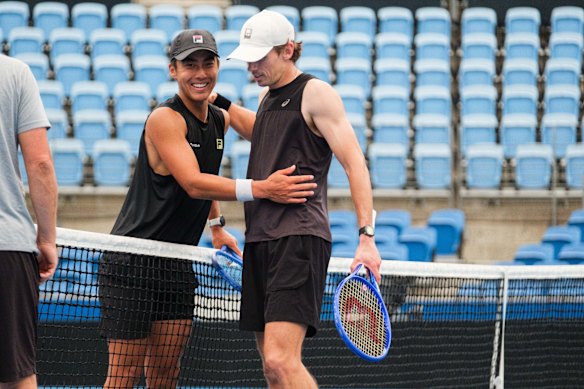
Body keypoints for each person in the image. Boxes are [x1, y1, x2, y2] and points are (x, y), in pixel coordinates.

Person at [98, 29, 316, 389]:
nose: (199, 72)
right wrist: (262, 189)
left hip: (177, 264)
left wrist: (216, 225)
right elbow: (194, 182)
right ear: (173, 70)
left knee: (167, 374)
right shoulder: (164, 119)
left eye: (207, 64)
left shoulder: (218, 118)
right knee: (123, 377)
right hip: (131, 263)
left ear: (217, 67)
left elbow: (261, 131)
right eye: (189, 65)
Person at [210, 10, 382, 388]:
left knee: (280, 360)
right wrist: (213, 98)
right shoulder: (268, 99)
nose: (252, 66)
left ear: (288, 49)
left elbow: (355, 163)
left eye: (260, 57)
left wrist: (366, 237)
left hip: (298, 239)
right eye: (248, 58)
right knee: (272, 369)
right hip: (260, 242)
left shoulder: (315, 93)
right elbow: (262, 133)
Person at [0, 54, 59, 388]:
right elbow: (39, 163)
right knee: (17, 375)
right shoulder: (15, 73)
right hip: (7, 246)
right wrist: (47, 240)